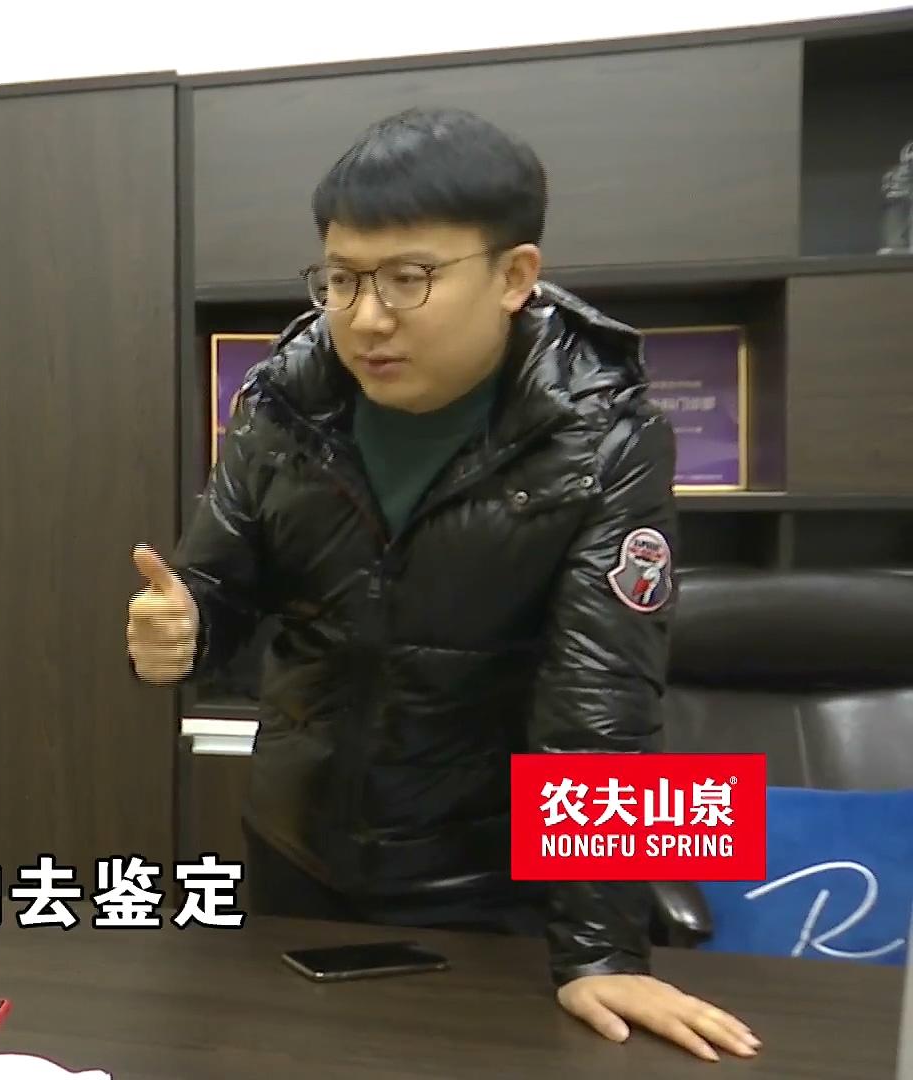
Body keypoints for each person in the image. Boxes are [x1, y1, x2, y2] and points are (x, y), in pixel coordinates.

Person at [126, 107, 761, 1063]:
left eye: (408, 278)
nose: (365, 317)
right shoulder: (285, 402)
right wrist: (186, 628)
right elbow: (220, 580)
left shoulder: (605, 436)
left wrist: (601, 953)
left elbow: (601, 702)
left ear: (514, 276)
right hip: (298, 856)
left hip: (494, 894)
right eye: (342, 279)